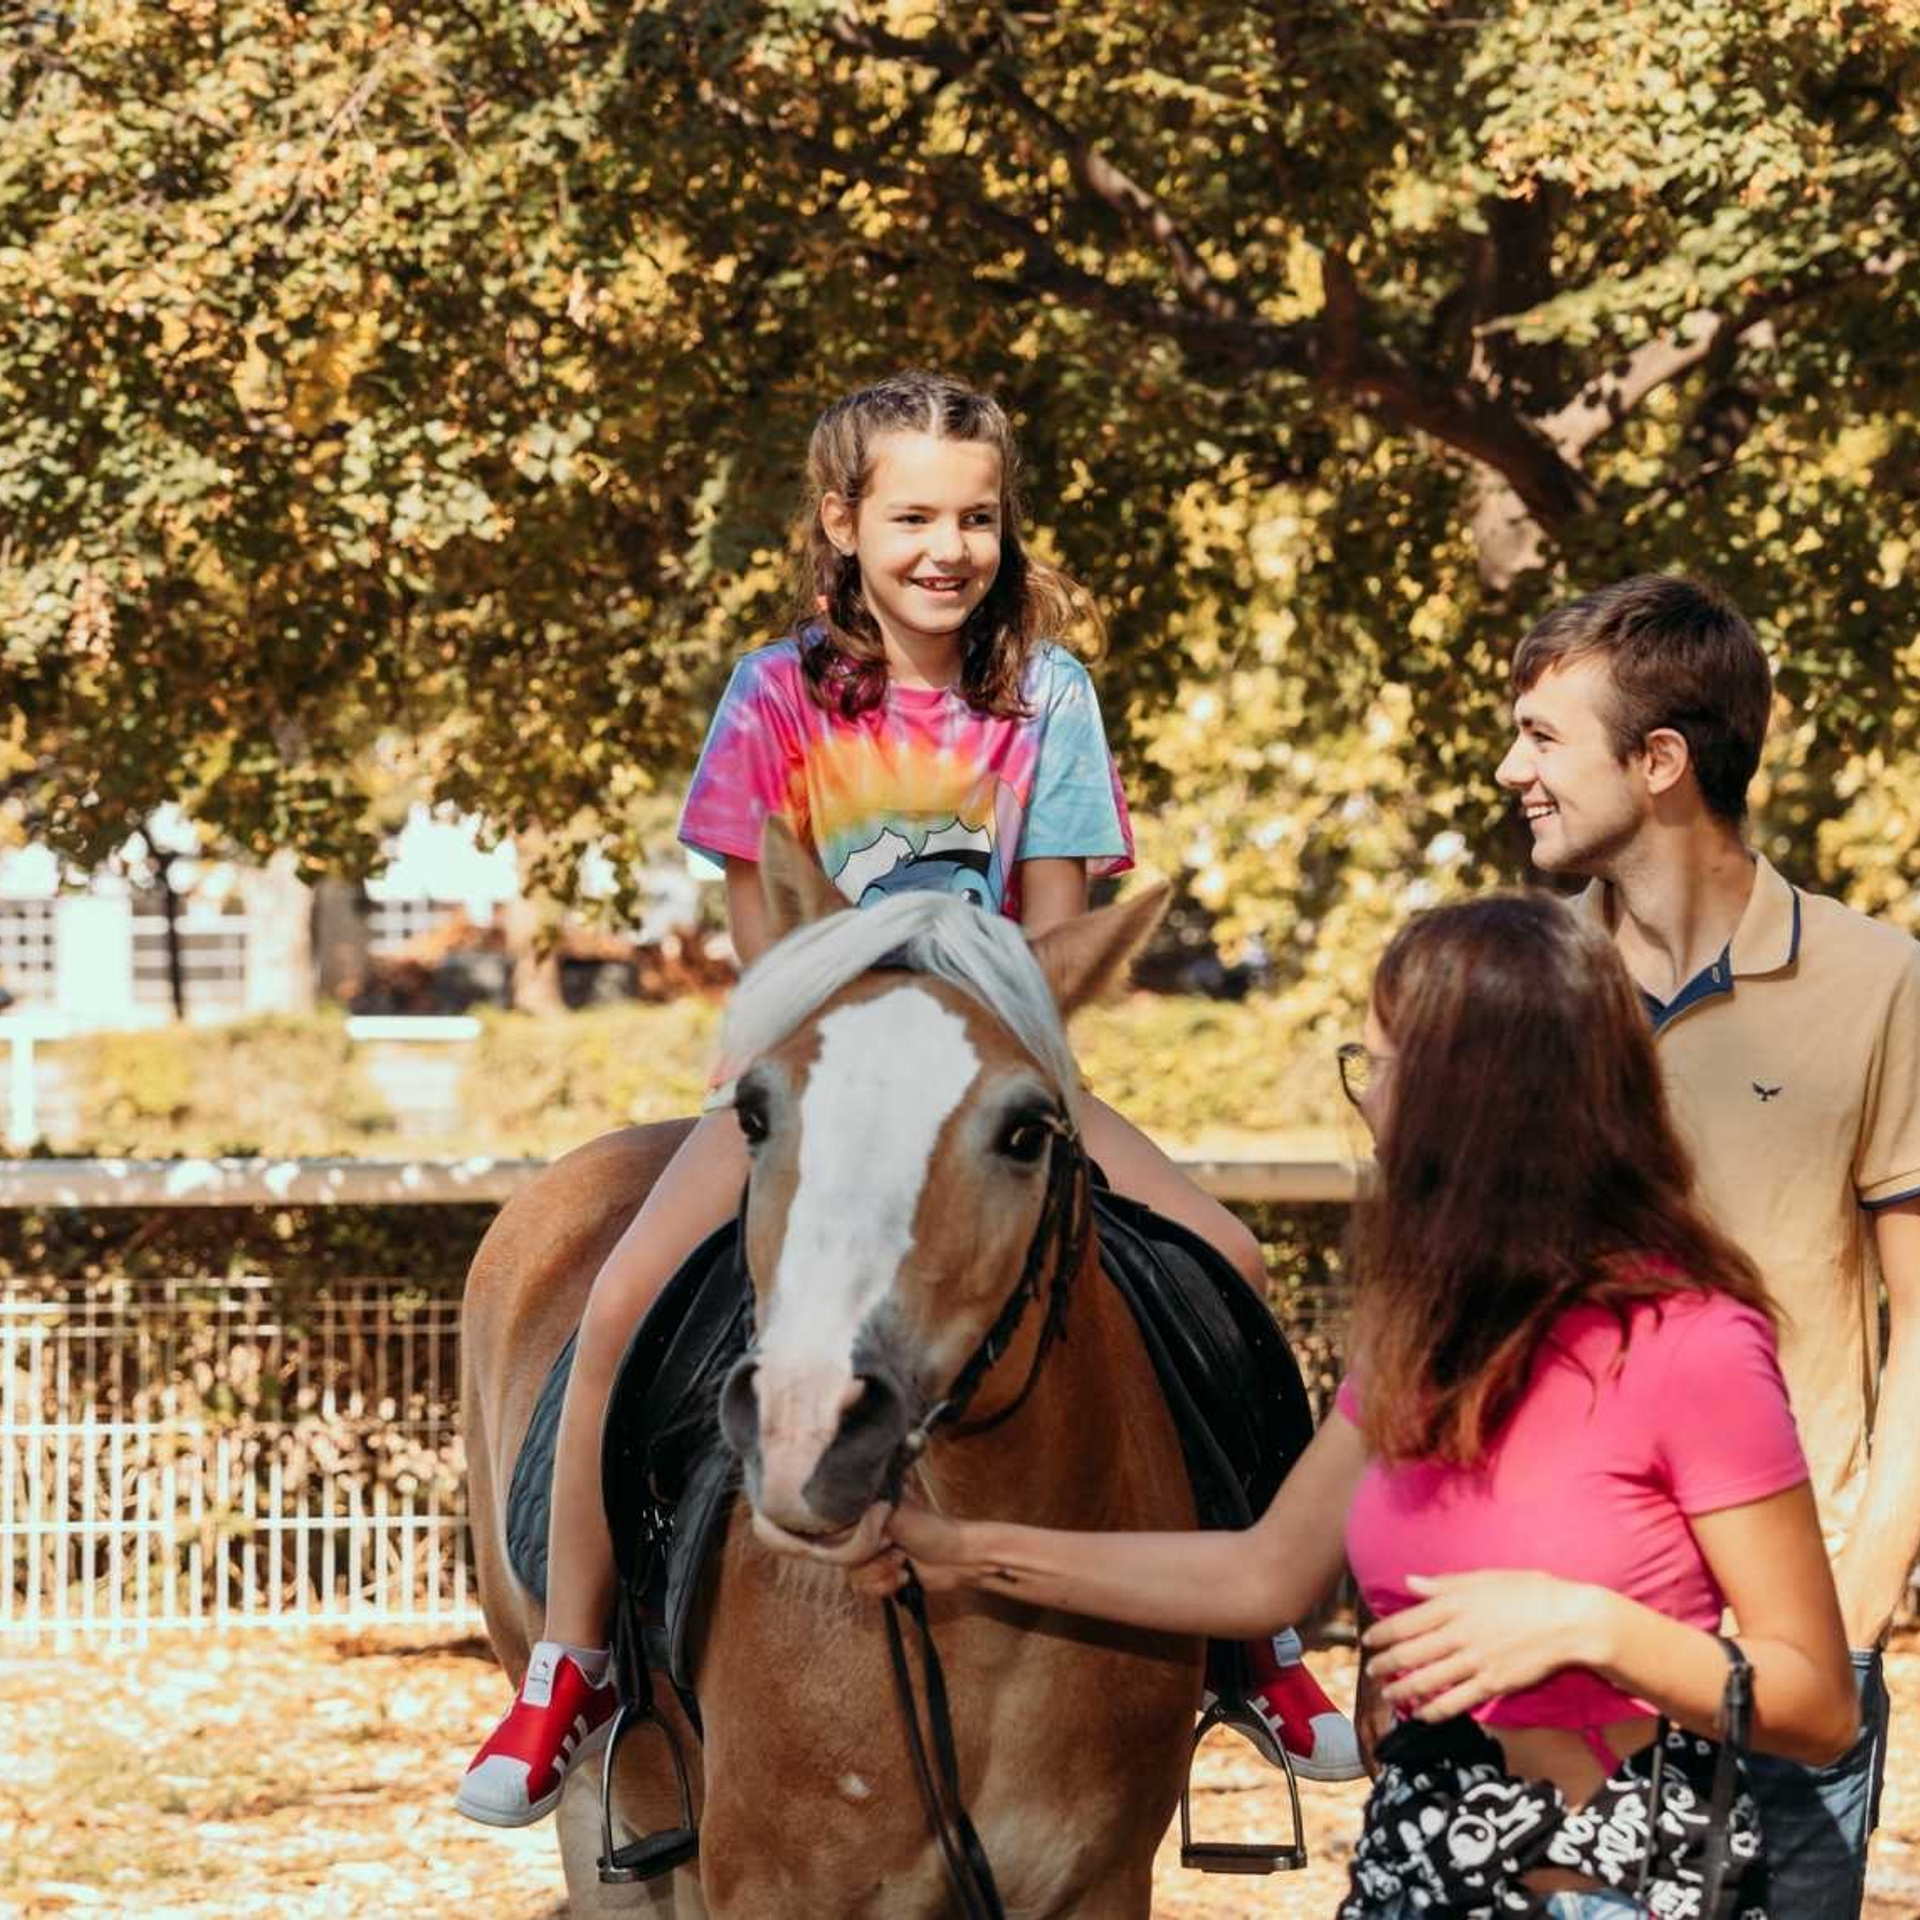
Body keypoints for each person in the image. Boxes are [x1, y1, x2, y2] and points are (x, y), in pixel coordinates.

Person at [455, 370, 1357, 1828]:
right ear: (843, 524)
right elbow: (770, 954)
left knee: (1231, 1261)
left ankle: (1257, 1643)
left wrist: (995, 1060)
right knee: (617, 1300)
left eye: (977, 518)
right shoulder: (773, 696)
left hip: (990, 1069)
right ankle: (572, 1658)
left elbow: (1051, 946)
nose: (950, 548)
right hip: (819, 1076)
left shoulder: (1050, 699)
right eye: (916, 517)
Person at [858, 893, 1858, 1916]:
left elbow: (1819, 1704)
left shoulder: (1692, 1343)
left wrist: (1588, 1627)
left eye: (1379, 1069)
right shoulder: (1420, 1334)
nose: (1367, 1103)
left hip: (1625, 1892)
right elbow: (1262, 1573)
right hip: (1417, 1879)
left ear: (1478, 1101)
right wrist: (966, 1552)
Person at [1496, 574, 1920, 1916]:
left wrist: (1853, 1602)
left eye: (1542, 737)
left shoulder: (1881, 984)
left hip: (1786, 1651)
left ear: (1661, 761)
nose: (1511, 771)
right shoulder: (1519, 989)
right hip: (1553, 1651)